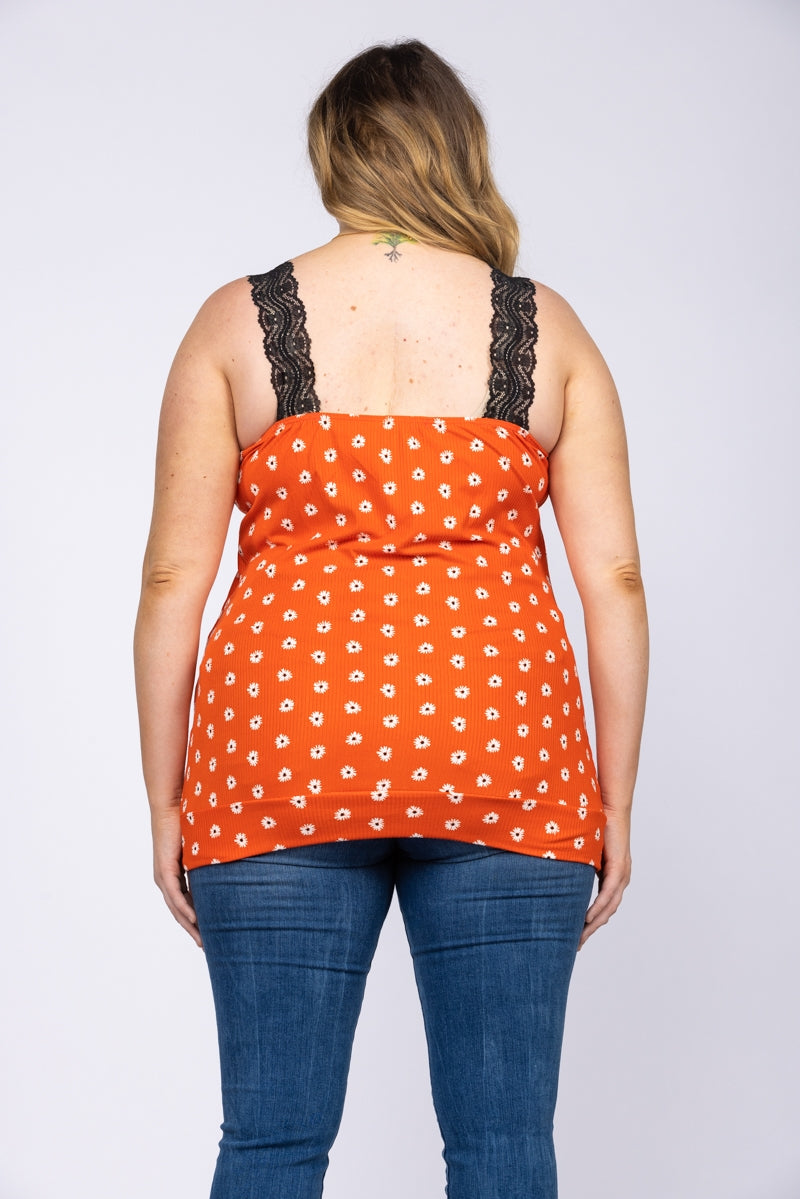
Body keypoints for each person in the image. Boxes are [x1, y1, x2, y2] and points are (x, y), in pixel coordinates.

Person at [134, 38, 648, 1199]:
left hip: (279, 762)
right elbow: (611, 577)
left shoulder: (235, 323)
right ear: (459, 152)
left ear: (333, 155)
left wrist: (168, 797)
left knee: (270, 1143)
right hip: (506, 764)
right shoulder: (547, 328)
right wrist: (611, 797)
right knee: (502, 1144)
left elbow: (172, 580)